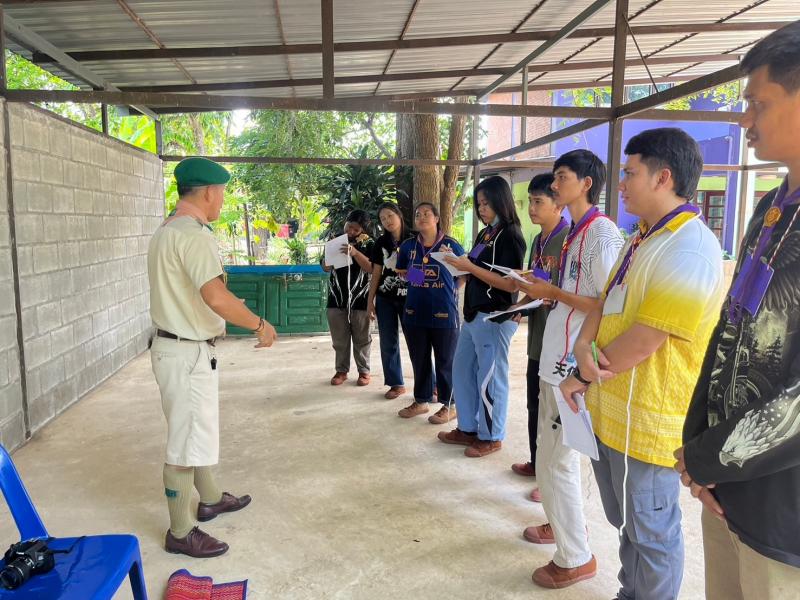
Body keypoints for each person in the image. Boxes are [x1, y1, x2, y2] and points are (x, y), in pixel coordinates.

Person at [560, 128, 724, 599]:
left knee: (652, 534)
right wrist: (582, 351)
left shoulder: (690, 245)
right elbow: (603, 303)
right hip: (613, 413)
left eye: (630, 173)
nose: (623, 183)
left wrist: (586, 367)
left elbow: (650, 336)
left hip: (648, 423)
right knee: (628, 526)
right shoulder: (643, 238)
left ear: (663, 177)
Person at [677, 22, 800, 600]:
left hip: (784, 510)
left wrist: (709, 456)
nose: (744, 120)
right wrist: (698, 445)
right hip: (726, 486)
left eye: (758, 104)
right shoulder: (772, 209)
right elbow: (731, 331)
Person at [148, 157, 278, 558]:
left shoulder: (168, 230)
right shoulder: (194, 235)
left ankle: (208, 498)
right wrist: (258, 324)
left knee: (194, 432)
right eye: (221, 192)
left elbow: (197, 294)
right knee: (184, 444)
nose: (221, 200)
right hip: (186, 353)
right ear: (208, 192)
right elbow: (215, 295)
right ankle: (181, 531)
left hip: (177, 347)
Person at [515, 150, 623, 588]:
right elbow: (574, 294)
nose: (554, 185)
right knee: (556, 459)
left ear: (586, 184)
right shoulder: (575, 234)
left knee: (558, 463)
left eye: (562, 177)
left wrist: (552, 291)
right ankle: (561, 527)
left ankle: (575, 554)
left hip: (571, 366)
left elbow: (607, 304)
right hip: (553, 359)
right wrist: (541, 290)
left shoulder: (603, 235)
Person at [438, 176, 526, 457]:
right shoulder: (486, 233)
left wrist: (470, 268)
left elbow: (510, 284)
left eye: (486, 203)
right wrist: (455, 262)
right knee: (462, 371)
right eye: (478, 204)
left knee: (490, 378)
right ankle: (468, 427)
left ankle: (491, 436)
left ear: (501, 201)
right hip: (473, 315)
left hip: (494, 317)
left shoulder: (510, 235)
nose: (481, 209)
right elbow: (476, 269)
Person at [510, 173, 568, 501]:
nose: (531, 208)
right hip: (537, 337)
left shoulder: (569, 239)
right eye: (529, 201)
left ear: (558, 203)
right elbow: (538, 281)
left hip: (559, 341)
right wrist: (519, 304)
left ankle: (550, 478)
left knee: (554, 414)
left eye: (538, 201)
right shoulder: (538, 240)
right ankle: (536, 462)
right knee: (534, 403)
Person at [395, 202, 465, 423]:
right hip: (415, 311)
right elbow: (402, 273)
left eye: (427, 214)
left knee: (446, 360)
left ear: (436, 218)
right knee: (419, 359)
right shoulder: (408, 246)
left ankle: (450, 404)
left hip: (444, 312)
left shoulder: (451, 245)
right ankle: (422, 400)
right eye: (418, 214)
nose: (422, 217)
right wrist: (421, 279)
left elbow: (464, 273)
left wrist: (450, 288)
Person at [322, 209, 375, 387]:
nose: (350, 231)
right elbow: (325, 267)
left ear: (363, 230)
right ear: (345, 222)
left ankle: (364, 372)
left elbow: (371, 268)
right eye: (349, 226)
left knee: (362, 337)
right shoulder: (335, 240)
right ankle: (341, 370)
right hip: (336, 297)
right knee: (339, 338)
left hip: (361, 298)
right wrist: (327, 260)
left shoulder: (369, 243)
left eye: (356, 229)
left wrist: (355, 253)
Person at [367, 203, 414, 399]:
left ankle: (430, 382)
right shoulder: (381, 243)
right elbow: (376, 273)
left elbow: (425, 271)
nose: (387, 221)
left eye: (389, 215)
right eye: (383, 219)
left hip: (410, 298)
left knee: (417, 342)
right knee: (388, 341)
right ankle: (396, 383)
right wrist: (371, 300)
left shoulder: (415, 238)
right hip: (385, 299)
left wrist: (411, 276)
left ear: (399, 214)